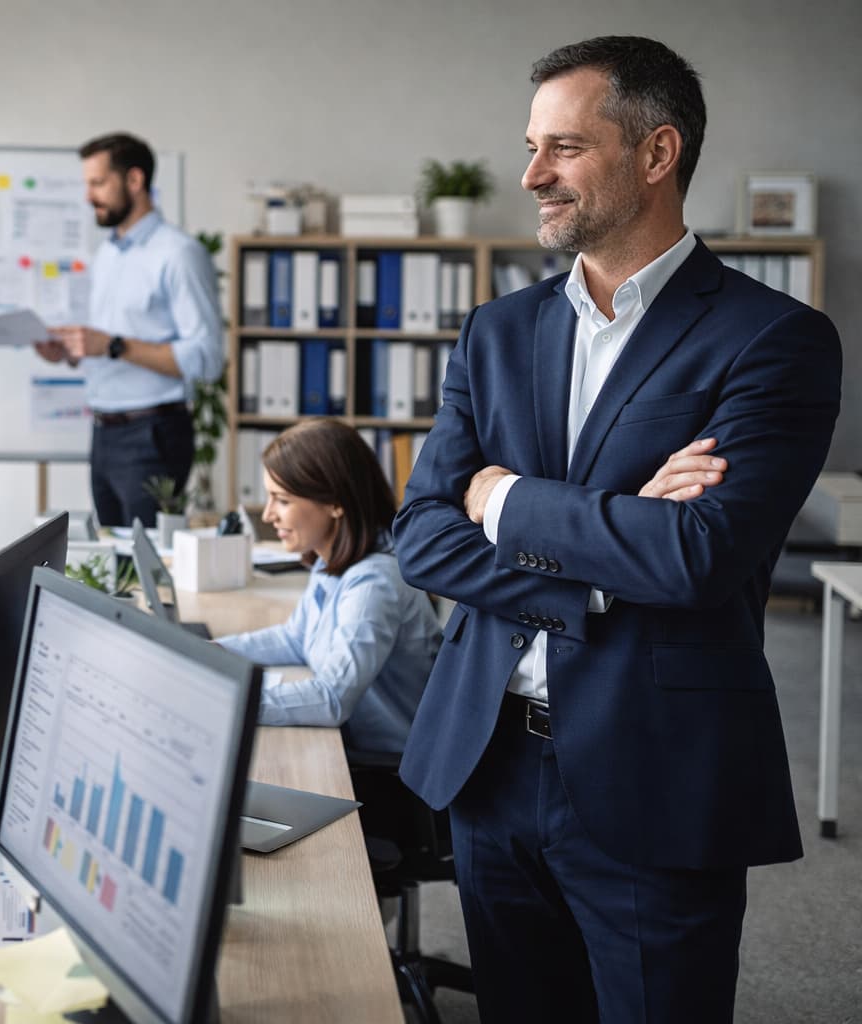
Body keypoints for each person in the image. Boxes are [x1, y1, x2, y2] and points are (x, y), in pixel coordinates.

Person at [392, 36, 841, 1022]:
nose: (530, 175)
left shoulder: (774, 341)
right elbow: (420, 531)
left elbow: (697, 555)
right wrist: (603, 551)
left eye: (564, 147)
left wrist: (504, 500)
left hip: (657, 768)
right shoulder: (497, 332)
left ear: (656, 151)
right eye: (530, 146)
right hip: (491, 759)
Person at [34, 132, 224, 528]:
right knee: (114, 570)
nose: (88, 197)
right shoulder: (108, 253)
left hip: (152, 434)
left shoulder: (178, 254)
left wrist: (114, 345)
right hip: (104, 431)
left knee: (147, 568)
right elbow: (110, 345)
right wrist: (70, 351)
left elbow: (206, 358)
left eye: (98, 183)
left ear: (134, 181)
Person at [215, 419, 438, 754]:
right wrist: (209, 652)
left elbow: (332, 698)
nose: (268, 515)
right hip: (349, 746)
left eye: (282, 500)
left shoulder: (374, 583)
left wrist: (226, 700)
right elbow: (294, 639)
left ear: (335, 503)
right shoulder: (331, 559)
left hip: (385, 773)